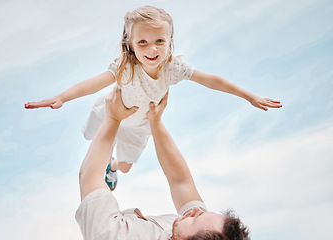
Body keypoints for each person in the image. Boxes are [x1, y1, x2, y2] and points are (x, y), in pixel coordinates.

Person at [25, 6, 282, 191]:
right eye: (143, 42)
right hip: (111, 114)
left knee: (124, 167)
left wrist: (249, 96)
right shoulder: (125, 67)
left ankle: (112, 168)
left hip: (138, 126)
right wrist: (61, 97)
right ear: (130, 43)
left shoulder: (174, 68)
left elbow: (212, 80)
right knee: (96, 148)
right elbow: (93, 84)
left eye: (159, 40)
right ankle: (104, 162)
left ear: (170, 41)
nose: (152, 49)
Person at [76, 86, 250, 240]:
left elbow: (89, 176)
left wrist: (113, 118)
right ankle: (113, 167)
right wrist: (155, 121)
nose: (195, 211)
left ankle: (111, 167)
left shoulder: (112, 236)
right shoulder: (189, 230)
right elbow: (181, 182)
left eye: (195, 218)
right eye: (203, 212)